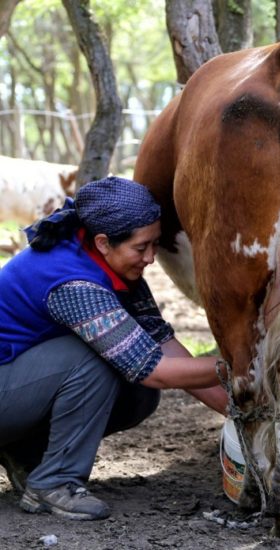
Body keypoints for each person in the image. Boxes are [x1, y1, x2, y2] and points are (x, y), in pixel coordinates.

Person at [0, 176, 228, 520]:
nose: (151, 258)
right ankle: (53, 484)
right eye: (142, 247)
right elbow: (155, 370)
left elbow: (163, 345)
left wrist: (245, 410)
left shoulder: (107, 261)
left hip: (15, 382)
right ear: (104, 242)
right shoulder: (74, 283)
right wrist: (245, 367)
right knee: (100, 361)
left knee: (137, 393)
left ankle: (26, 451)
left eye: (155, 244)